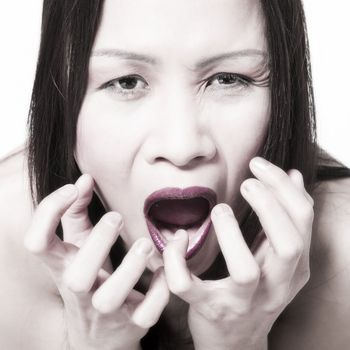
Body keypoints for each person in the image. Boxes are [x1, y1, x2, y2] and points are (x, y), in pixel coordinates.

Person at [1, 0, 350, 349]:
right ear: (60, 99)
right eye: (126, 82)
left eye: (228, 79)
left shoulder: (342, 255)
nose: (181, 147)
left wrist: (237, 342)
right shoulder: (7, 243)